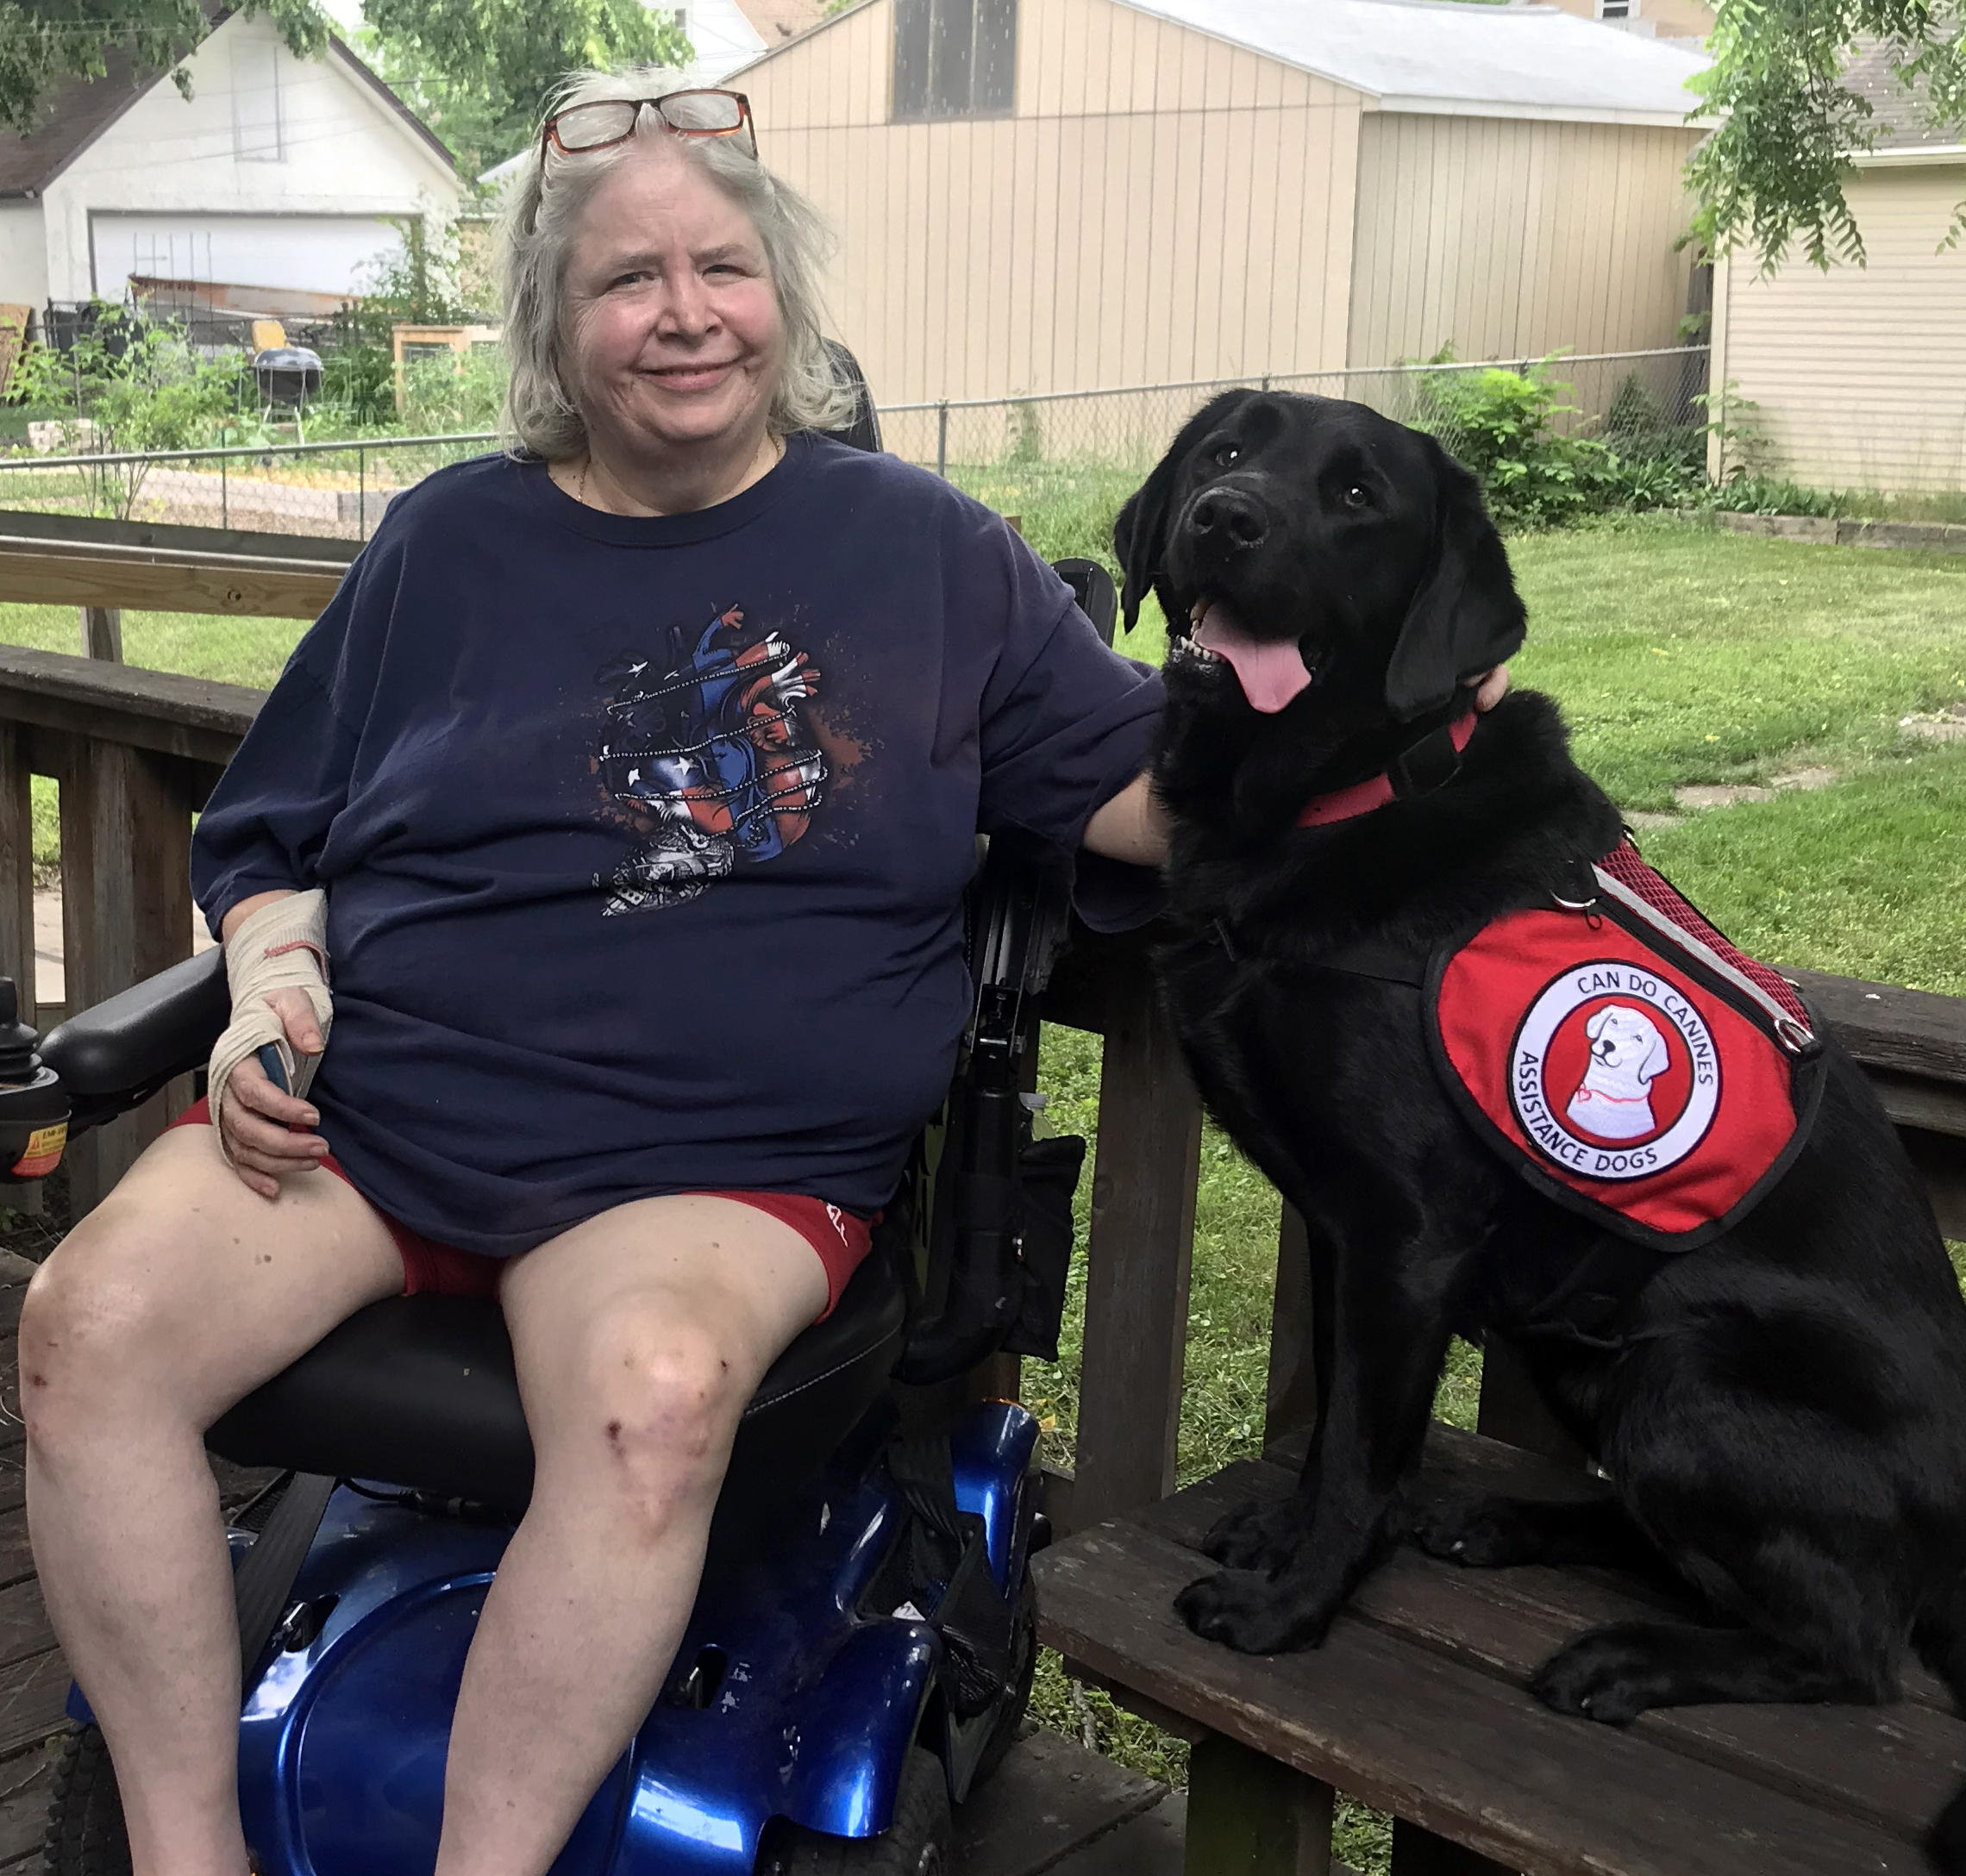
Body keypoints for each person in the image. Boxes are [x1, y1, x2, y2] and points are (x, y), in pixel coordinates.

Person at [17, 73, 1506, 1876]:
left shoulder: (926, 553)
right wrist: (265, 979)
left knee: (652, 1392)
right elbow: (272, 825)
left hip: (709, 1163)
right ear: (558, 329)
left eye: (721, 265)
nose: (681, 311)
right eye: (626, 277)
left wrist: (1399, 731)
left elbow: (1153, 798)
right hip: (382, 1122)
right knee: (83, 1330)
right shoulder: (447, 544)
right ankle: (188, 1853)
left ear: (780, 299)